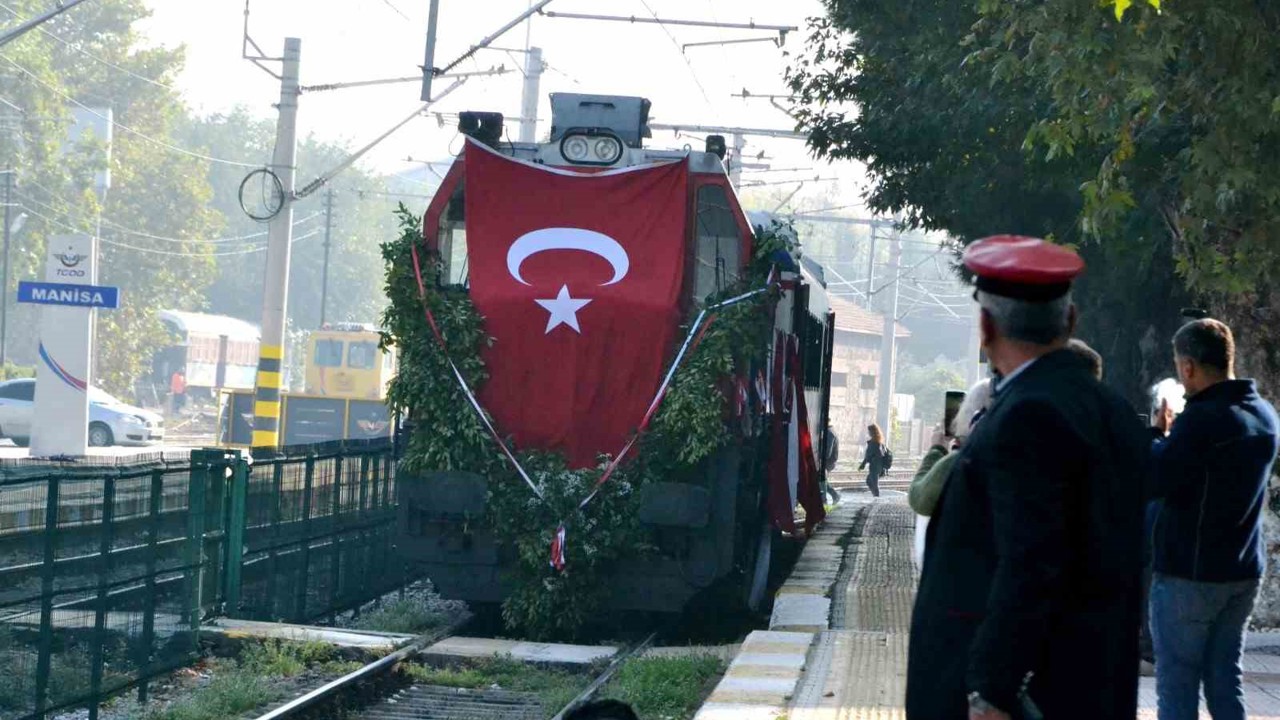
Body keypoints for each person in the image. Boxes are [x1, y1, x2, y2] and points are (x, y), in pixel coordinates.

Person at [905, 235, 1148, 719]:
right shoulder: (1112, 410)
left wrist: (992, 690)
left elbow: (1031, 564)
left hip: (1026, 695)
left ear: (985, 326)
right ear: (1070, 320)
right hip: (1090, 682)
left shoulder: (1026, 416)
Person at [1148, 319, 1278, 720]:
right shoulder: (1263, 415)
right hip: (1242, 569)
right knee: (1225, 679)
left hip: (1191, 573)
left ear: (1187, 366)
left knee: (1177, 684)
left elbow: (1156, 480)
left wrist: (1158, 435)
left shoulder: (1202, 420)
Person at [857, 423, 888, 497]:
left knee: (874, 484)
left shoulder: (874, 443)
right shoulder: (879, 442)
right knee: (869, 481)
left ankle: (876, 498)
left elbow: (868, 456)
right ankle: (875, 495)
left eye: (869, 431)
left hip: (875, 467)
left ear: (873, 432)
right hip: (878, 466)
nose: (868, 433)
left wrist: (862, 465)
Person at [822, 422, 841, 505]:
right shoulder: (831, 431)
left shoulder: (829, 433)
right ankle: (833, 496)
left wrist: (820, 458)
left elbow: (827, 453)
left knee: (821, 479)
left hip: (828, 462)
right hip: (829, 461)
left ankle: (830, 498)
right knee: (821, 479)